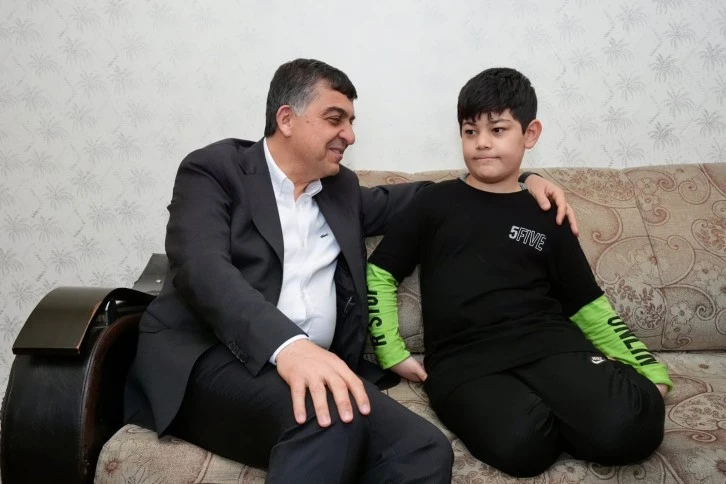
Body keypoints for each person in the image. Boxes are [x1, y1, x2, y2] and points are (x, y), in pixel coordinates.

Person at [123, 59, 576, 483]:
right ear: (287, 119)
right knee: (328, 415)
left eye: (351, 121)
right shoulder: (215, 171)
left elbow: (430, 197)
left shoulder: (341, 190)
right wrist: (289, 347)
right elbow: (202, 271)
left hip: (314, 370)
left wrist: (521, 181)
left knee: (423, 451)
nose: (350, 135)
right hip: (211, 358)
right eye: (335, 119)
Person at [366, 67, 672, 478]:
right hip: (463, 361)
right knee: (521, 448)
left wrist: (649, 369)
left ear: (530, 134)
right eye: (470, 131)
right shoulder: (433, 202)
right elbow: (380, 272)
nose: (482, 143)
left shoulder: (546, 212)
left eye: (497, 129)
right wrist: (391, 351)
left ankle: (587, 410)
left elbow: (586, 302)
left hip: (549, 343)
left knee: (633, 428)